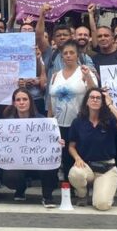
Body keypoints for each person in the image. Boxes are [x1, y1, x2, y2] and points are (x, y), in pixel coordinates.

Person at [0, 88, 64, 207]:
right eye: (18, 100)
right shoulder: (6, 124)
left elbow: (52, 141)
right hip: (18, 166)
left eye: (25, 99)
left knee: (51, 164)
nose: (21, 102)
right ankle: (20, 188)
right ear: (14, 103)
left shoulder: (43, 122)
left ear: (30, 101)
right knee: (10, 176)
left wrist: (58, 143)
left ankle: (47, 196)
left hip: (40, 164)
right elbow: (0, 143)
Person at [66, 88, 117, 211]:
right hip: (86, 166)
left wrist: (110, 104)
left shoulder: (110, 120)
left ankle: (103, 190)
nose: (95, 100)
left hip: (107, 168)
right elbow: (71, 146)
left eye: (98, 98)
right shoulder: (78, 122)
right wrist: (77, 158)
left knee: (102, 205)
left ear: (102, 101)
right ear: (87, 101)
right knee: (75, 174)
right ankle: (82, 194)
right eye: (92, 97)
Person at [46, 41, 99, 180]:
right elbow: (52, 100)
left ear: (77, 55)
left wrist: (87, 77)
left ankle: (81, 188)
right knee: (64, 156)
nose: (68, 56)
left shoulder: (85, 72)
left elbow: (95, 93)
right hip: (59, 123)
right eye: (65, 53)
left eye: (72, 53)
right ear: (61, 56)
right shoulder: (55, 75)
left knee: (80, 157)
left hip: (79, 122)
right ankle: (67, 188)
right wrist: (48, 121)